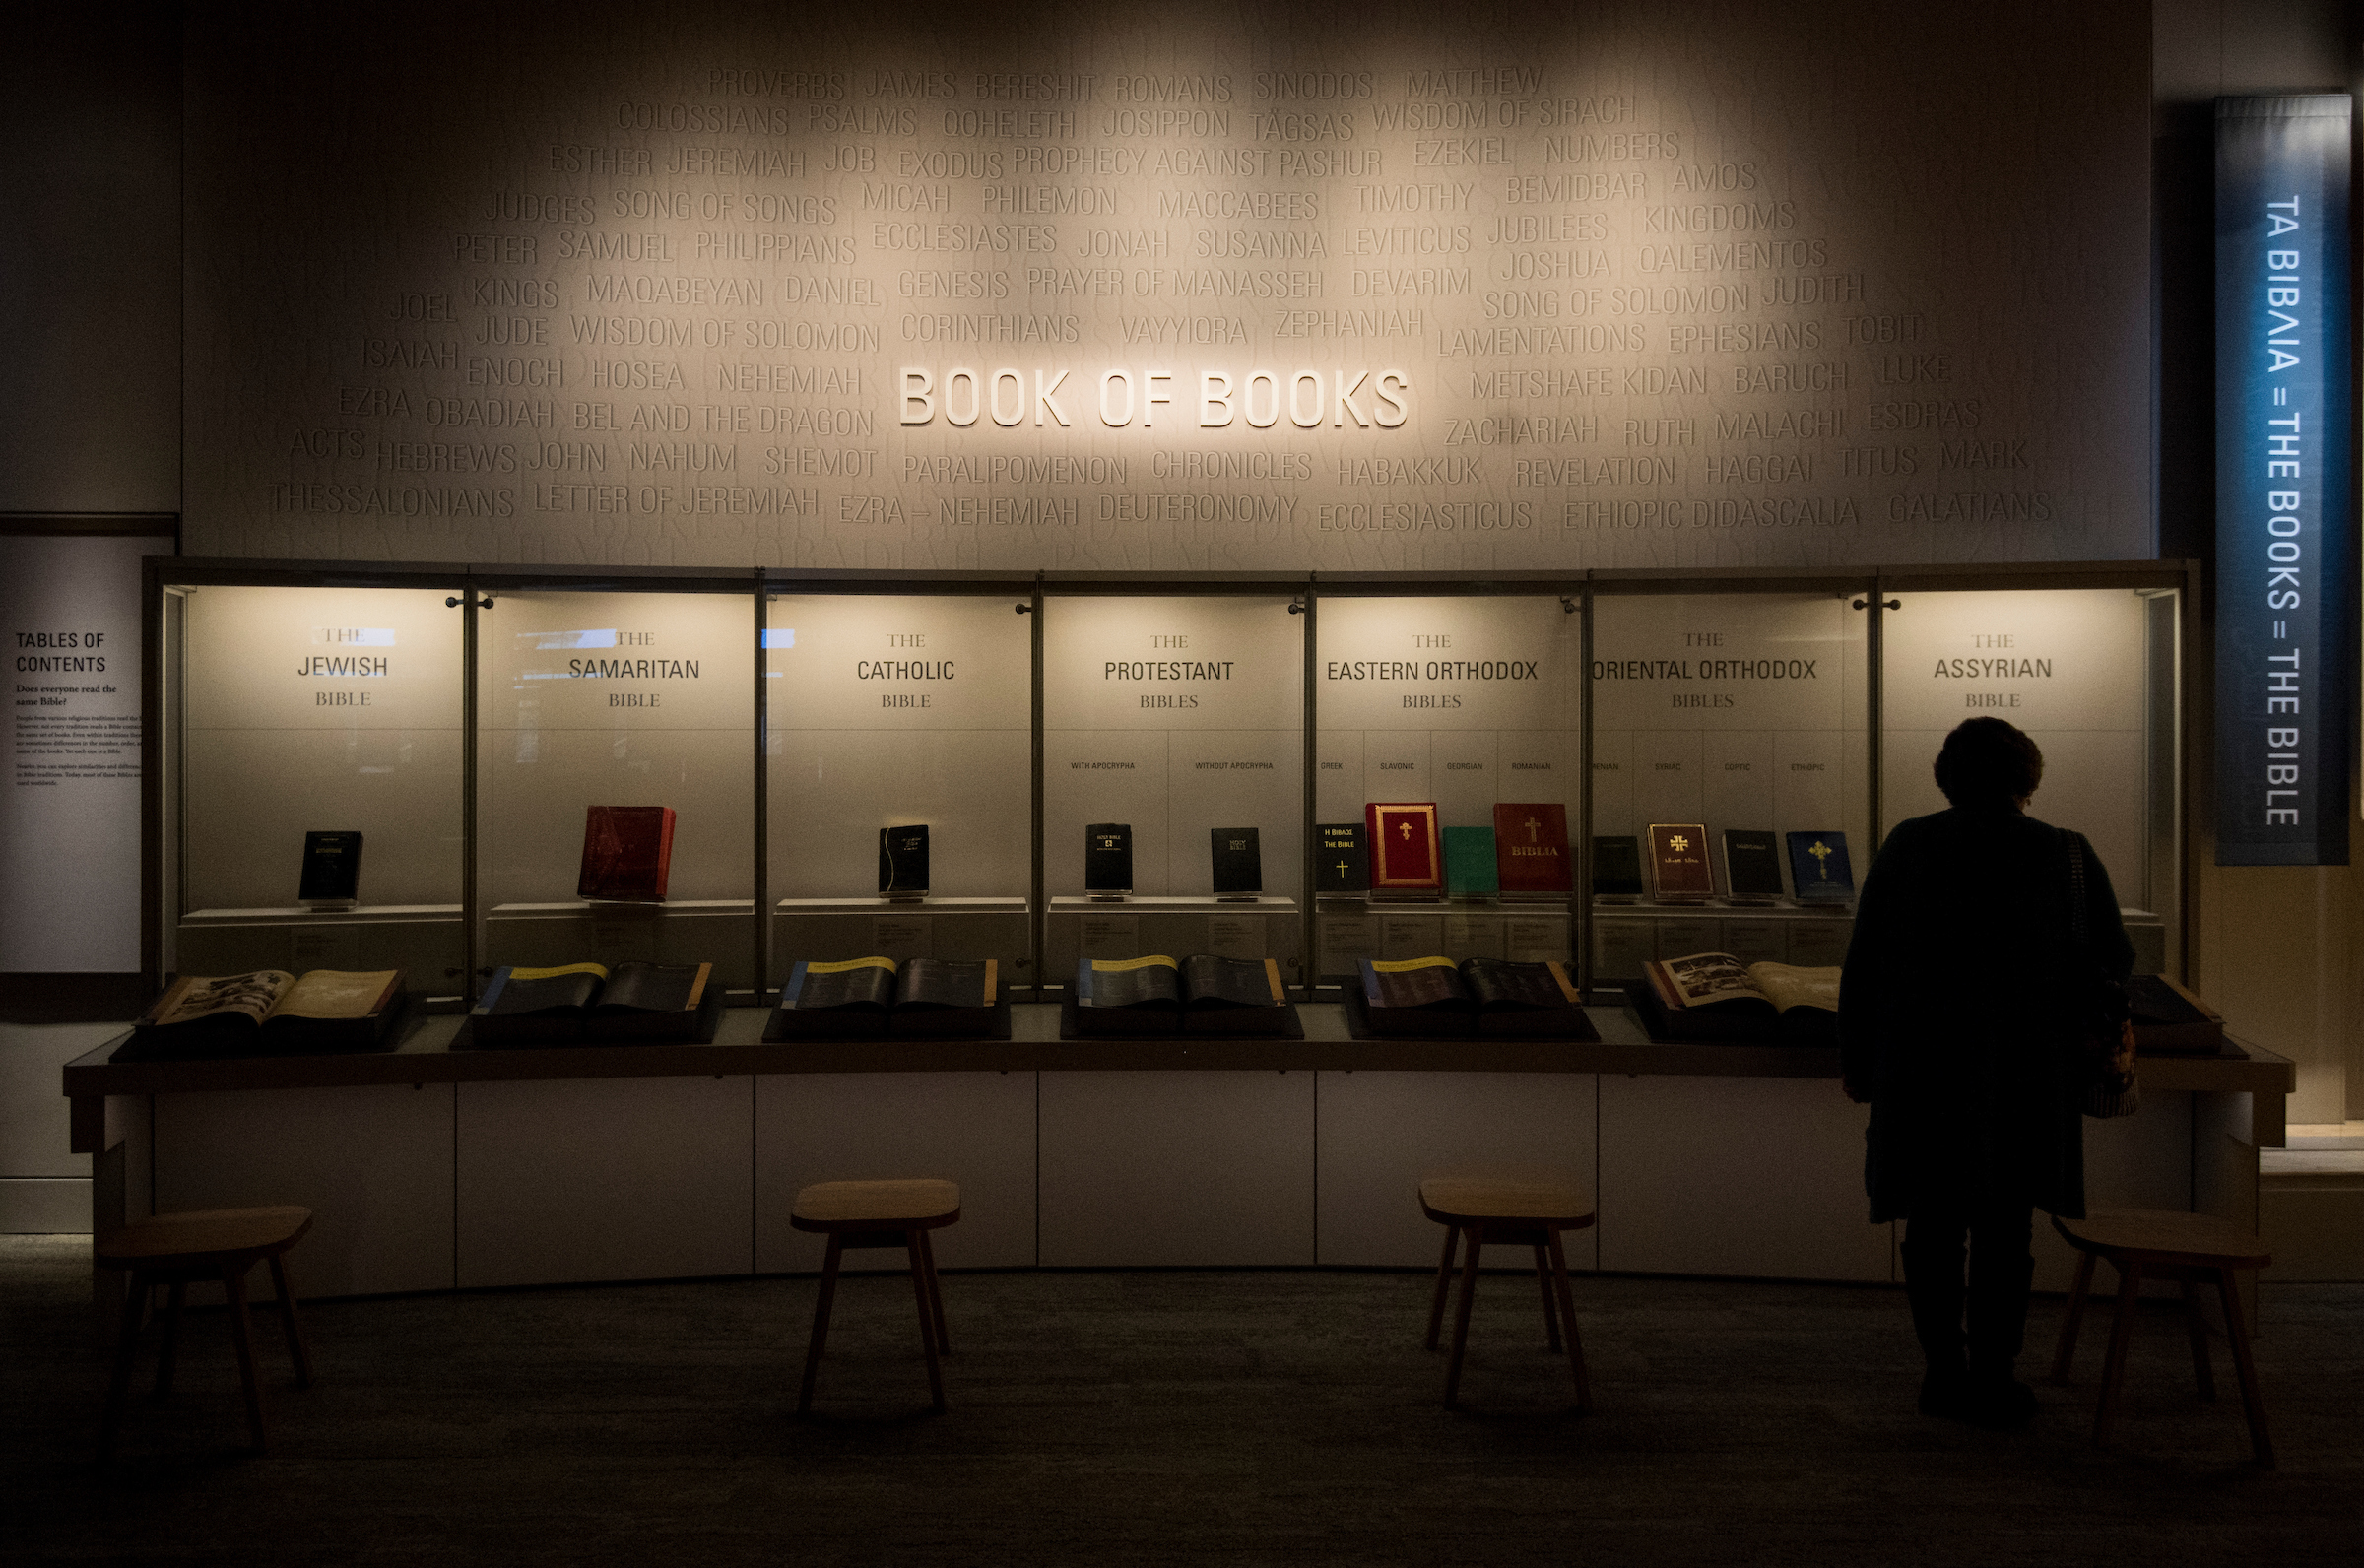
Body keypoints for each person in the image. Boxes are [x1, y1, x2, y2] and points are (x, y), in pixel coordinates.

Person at [1838, 716, 2134, 1426]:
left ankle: (1943, 1371)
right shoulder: (2065, 854)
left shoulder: (1910, 845)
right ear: (2027, 777)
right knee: (2008, 1231)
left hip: (1925, 1072)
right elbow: (2112, 964)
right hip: (2028, 1075)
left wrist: (1859, 1064)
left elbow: (1866, 965)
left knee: (1933, 1227)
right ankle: (1996, 1376)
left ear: (1948, 775)